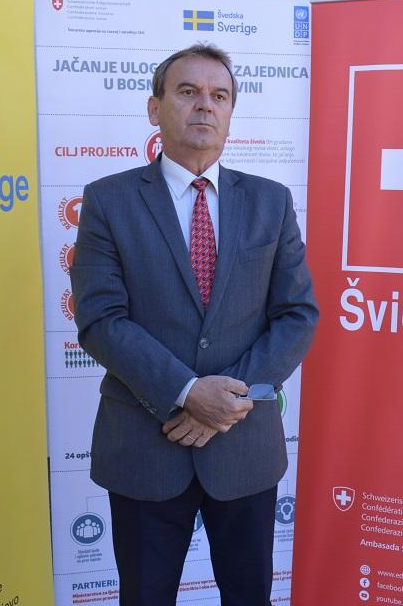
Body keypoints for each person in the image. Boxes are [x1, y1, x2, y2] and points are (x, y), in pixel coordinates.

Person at [70, 43, 318, 606]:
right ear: (154, 108)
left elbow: (297, 314)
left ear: (230, 112)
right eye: (188, 92)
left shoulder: (271, 202)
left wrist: (225, 399)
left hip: (244, 447)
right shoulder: (108, 201)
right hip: (145, 450)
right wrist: (186, 392)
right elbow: (101, 318)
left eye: (219, 95)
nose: (205, 105)